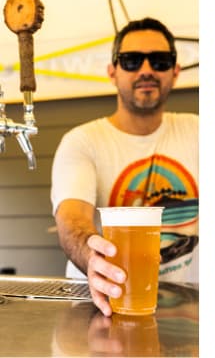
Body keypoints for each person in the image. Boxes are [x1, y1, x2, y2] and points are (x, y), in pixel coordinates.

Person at [51, 18, 199, 318]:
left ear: (175, 71)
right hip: (100, 306)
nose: (146, 70)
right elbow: (72, 219)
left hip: (184, 307)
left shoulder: (198, 130)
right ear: (112, 72)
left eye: (159, 60)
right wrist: (93, 258)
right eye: (132, 60)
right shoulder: (81, 141)